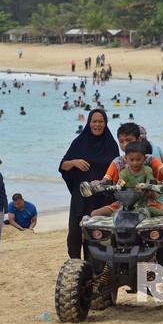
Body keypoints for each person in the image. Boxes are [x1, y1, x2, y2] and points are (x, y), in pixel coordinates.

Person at [59, 109, 119, 259]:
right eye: (94, 121)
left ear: (105, 123)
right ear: (89, 123)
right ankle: (76, 263)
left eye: (100, 122)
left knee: (98, 235)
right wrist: (74, 162)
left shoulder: (111, 145)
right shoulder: (79, 142)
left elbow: (117, 171)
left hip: (103, 197)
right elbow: (63, 166)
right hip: (81, 197)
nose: (97, 125)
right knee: (75, 233)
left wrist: (104, 182)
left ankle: (95, 265)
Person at [90, 142, 163, 218]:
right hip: (124, 203)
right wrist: (116, 186)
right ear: (126, 159)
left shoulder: (147, 170)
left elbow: (150, 183)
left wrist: (146, 187)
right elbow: (120, 185)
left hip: (147, 202)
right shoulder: (124, 173)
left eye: (138, 159)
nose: (135, 163)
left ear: (144, 159)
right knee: (94, 214)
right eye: (132, 160)